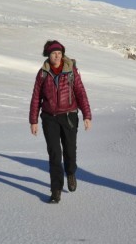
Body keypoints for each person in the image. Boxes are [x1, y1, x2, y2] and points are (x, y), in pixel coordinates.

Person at [30, 40, 92, 203]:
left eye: (59, 53)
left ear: (62, 54)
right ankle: (56, 189)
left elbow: (80, 92)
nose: (56, 56)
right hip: (49, 118)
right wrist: (33, 120)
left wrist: (87, 115)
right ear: (48, 55)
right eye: (53, 53)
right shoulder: (43, 73)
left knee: (70, 151)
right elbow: (36, 97)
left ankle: (70, 172)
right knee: (54, 154)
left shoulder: (71, 70)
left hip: (69, 116)